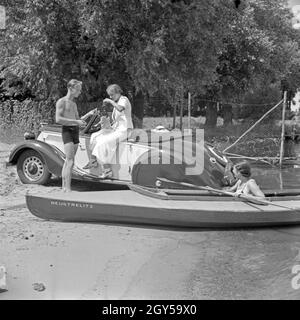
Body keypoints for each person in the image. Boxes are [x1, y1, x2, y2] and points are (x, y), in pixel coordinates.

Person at [83, 84, 133, 178]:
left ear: (118, 92)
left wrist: (109, 101)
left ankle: (107, 171)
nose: (110, 97)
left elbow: (120, 108)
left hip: (125, 130)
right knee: (95, 136)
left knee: (103, 142)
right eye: (109, 95)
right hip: (117, 129)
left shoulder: (124, 100)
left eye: (112, 95)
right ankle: (93, 161)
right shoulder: (117, 101)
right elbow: (117, 119)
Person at [55, 79, 86, 192]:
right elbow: (58, 119)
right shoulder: (61, 102)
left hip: (75, 132)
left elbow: (77, 119)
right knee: (70, 161)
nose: (80, 92)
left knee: (68, 161)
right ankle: (67, 189)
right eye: (78, 89)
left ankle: (64, 187)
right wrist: (77, 122)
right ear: (71, 88)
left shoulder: (73, 103)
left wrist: (86, 118)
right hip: (67, 131)